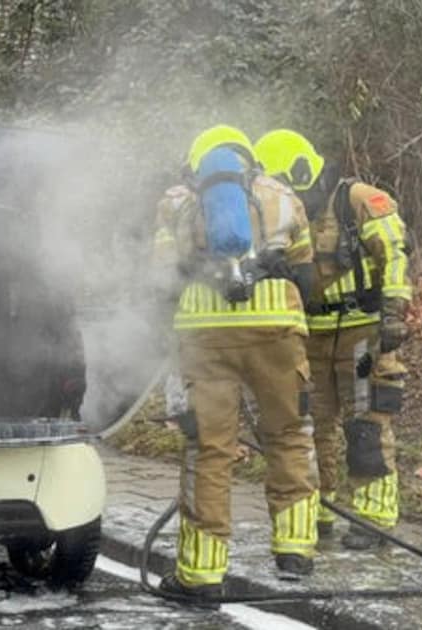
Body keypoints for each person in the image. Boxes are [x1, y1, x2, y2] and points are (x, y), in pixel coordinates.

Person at [153, 126, 320, 600]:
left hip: (207, 337)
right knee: (289, 434)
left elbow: (161, 278)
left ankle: (201, 575)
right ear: (250, 159)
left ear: (197, 162)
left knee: (209, 449)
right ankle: (295, 553)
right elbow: (307, 275)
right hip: (278, 333)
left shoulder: (176, 201)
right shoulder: (282, 195)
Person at [253, 129, 412, 549]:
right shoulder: (279, 212)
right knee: (309, 427)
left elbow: (395, 253)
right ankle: (318, 510)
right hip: (308, 337)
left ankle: (373, 520)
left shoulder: (357, 200)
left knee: (365, 424)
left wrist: (394, 311)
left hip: (361, 335)